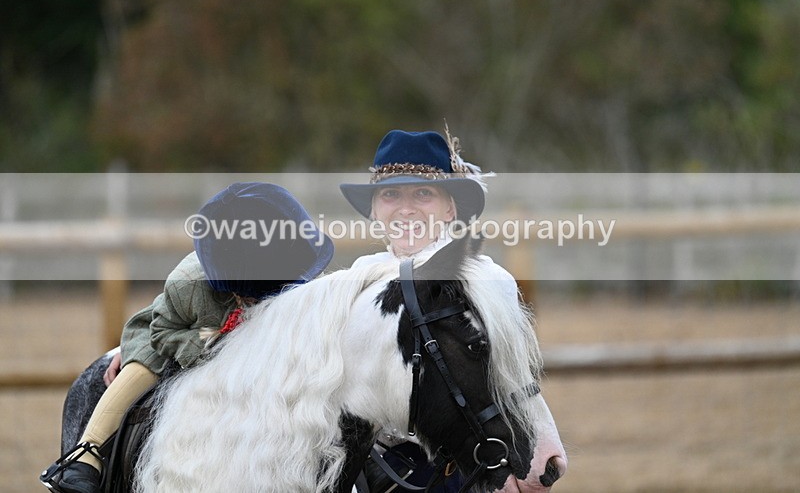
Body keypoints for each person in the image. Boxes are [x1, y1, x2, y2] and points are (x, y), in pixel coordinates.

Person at [42, 182, 334, 493]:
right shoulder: (189, 285)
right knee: (142, 365)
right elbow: (163, 331)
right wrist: (212, 345)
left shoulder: (299, 275)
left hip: (257, 342)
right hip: (179, 330)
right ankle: (86, 455)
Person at [341, 128, 503, 492]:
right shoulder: (356, 283)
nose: (406, 207)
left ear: (450, 208)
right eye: (391, 194)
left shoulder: (485, 280)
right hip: (372, 468)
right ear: (374, 209)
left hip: (466, 463)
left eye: (423, 193)